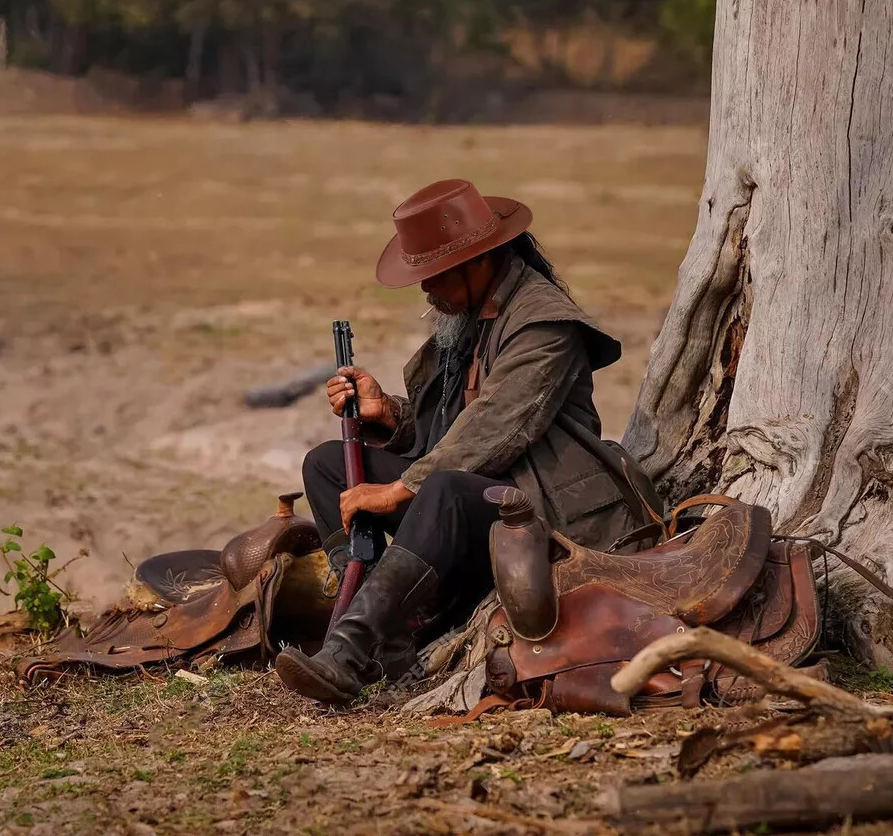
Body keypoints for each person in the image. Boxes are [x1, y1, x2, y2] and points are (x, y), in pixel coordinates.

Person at [276, 178, 660, 704]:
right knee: (326, 465)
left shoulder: (544, 323)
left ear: (477, 262)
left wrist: (397, 490)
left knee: (443, 489)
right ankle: (378, 625)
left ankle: (348, 650)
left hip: (546, 513)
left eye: (434, 275)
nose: (425, 290)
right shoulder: (467, 319)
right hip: (476, 497)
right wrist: (388, 413)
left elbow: (493, 429)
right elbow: (446, 429)